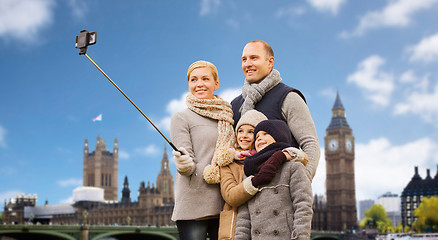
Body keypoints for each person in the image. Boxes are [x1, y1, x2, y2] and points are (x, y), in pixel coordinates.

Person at [231, 40, 320, 181]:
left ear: (270, 62)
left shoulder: (288, 97)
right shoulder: (235, 105)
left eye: (254, 58)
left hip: (279, 194)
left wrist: (299, 184)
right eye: (244, 59)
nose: (247, 64)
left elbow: (310, 144)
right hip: (242, 196)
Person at [218, 110, 308, 240]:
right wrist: (256, 180)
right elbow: (244, 217)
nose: (259, 137)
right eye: (258, 135)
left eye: (265, 133)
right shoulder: (249, 172)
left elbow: (303, 205)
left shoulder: (293, 166)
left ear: (279, 135)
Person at [170, 60, 235, 240]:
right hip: (194, 205)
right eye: (194, 80)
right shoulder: (181, 117)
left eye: (205, 79)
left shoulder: (228, 116)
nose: (199, 84)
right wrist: (183, 163)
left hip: (225, 203)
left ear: (216, 83)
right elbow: (187, 164)